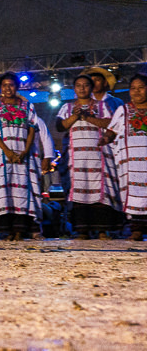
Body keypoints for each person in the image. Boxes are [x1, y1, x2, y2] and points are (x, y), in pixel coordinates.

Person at [57, 74, 121, 239]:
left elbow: (111, 124)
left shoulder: (102, 105)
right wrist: (75, 116)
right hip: (76, 158)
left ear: (91, 88)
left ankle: (102, 230)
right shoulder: (67, 107)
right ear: (74, 89)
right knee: (80, 192)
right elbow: (59, 126)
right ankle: (82, 230)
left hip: (99, 156)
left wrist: (87, 117)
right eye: (79, 85)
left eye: (86, 85)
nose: (82, 88)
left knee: (101, 192)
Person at [0, 73, 42, 240]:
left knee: (22, 191)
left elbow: (31, 129)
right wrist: (7, 151)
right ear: (1, 87)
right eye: (5, 85)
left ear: (18, 86)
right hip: (1, 155)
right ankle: (7, 230)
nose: (8, 88)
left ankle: (20, 230)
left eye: (11, 85)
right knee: (5, 190)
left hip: (23, 153)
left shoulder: (28, 106)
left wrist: (25, 151)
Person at [100, 74, 147, 241]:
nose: (136, 91)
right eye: (133, 88)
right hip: (132, 164)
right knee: (134, 194)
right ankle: (137, 230)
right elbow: (112, 131)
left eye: (140, 87)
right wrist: (105, 139)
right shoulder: (124, 110)